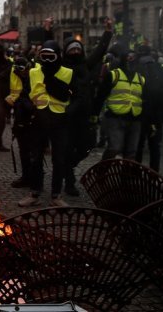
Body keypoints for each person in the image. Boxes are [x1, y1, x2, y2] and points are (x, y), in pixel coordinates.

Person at [18, 42, 77, 208]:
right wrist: (29, 110)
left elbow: (77, 95)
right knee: (35, 157)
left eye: (51, 56)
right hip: (39, 118)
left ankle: (56, 195)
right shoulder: (34, 72)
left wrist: (69, 113)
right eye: (43, 56)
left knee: (59, 159)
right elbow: (25, 94)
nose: (47, 60)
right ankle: (34, 193)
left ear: (58, 55)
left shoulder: (68, 72)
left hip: (60, 120)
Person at [61, 19, 113, 194]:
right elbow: (49, 58)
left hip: (85, 116)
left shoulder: (86, 65)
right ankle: (69, 182)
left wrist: (107, 33)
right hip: (68, 117)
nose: (75, 51)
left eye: (77, 48)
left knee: (87, 147)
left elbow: (99, 52)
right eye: (71, 49)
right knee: (67, 149)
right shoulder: (62, 68)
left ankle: (68, 166)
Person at [133, 45, 163, 172]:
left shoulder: (136, 70)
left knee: (138, 145)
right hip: (157, 114)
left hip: (140, 113)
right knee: (154, 146)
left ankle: (135, 173)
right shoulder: (162, 69)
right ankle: (154, 174)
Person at [6, 55, 36, 189]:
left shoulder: (35, 74)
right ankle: (26, 177)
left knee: (34, 150)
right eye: (19, 70)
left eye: (24, 69)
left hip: (35, 116)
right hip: (20, 115)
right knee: (23, 149)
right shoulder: (13, 73)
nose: (22, 72)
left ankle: (35, 178)